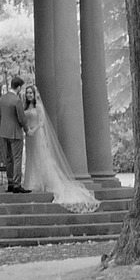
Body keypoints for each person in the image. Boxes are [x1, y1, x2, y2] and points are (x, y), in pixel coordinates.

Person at [21, 84, 99, 213]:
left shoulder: (38, 107)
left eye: (31, 93)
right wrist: (27, 130)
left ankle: (48, 182)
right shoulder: (25, 107)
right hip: (29, 135)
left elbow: (42, 122)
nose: (29, 95)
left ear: (35, 95)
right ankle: (33, 182)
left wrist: (33, 130)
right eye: (27, 93)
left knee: (42, 157)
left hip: (37, 133)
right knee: (32, 157)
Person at [0, 76, 29, 193]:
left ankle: (10, 183)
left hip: (4, 131)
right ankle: (17, 184)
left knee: (9, 159)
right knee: (17, 159)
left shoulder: (2, 98)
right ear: (19, 87)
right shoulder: (17, 100)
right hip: (15, 132)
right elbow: (21, 118)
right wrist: (27, 130)